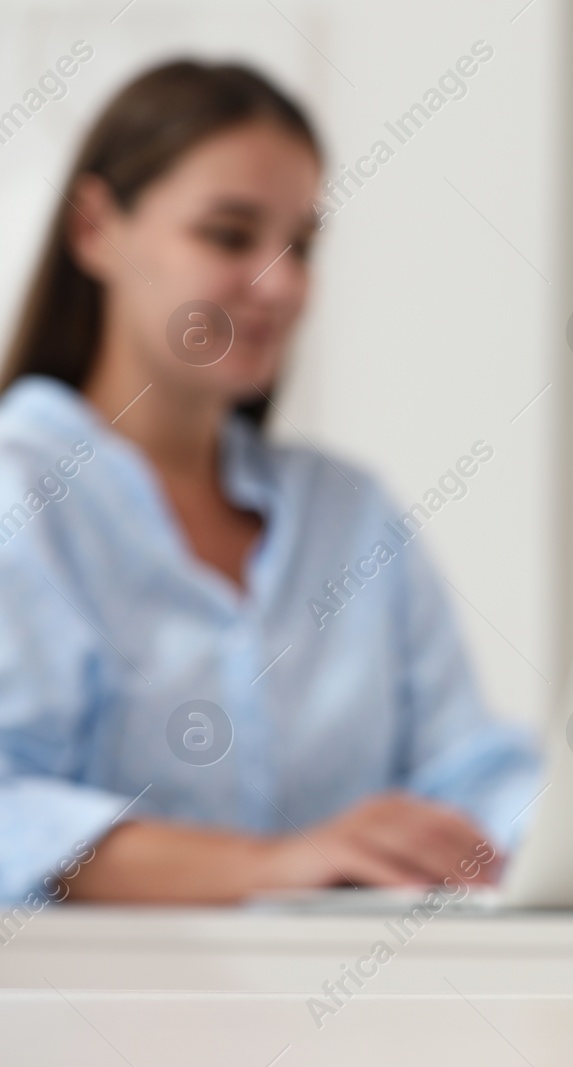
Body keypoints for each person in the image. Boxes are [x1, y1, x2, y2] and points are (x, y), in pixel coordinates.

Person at [0, 61, 540, 905]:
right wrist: (268, 866)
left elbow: (467, 772)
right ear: (95, 229)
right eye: (229, 235)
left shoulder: (352, 517)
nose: (282, 284)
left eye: (302, 246)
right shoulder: (22, 497)